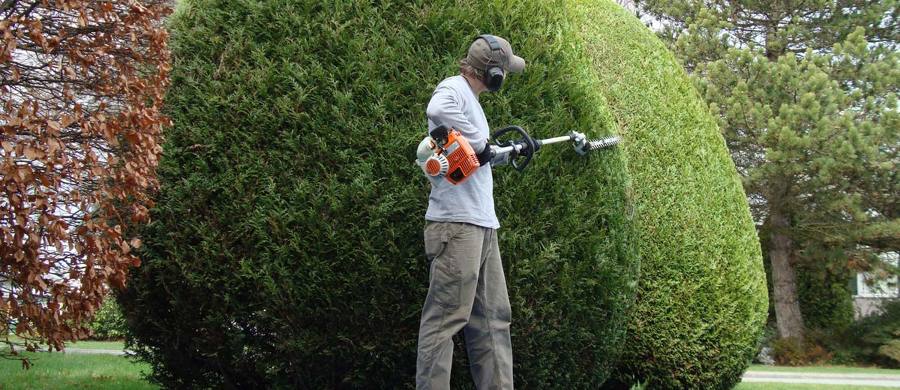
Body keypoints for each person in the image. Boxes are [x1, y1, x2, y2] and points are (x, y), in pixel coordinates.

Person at [416, 34, 526, 390]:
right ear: (493, 73)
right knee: (445, 320)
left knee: (494, 320)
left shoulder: (472, 103)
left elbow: (477, 157)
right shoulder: (453, 89)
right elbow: (436, 111)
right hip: (456, 225)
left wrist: (505, 150)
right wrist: (480, 145)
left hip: (481, 225)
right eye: (504, 71)